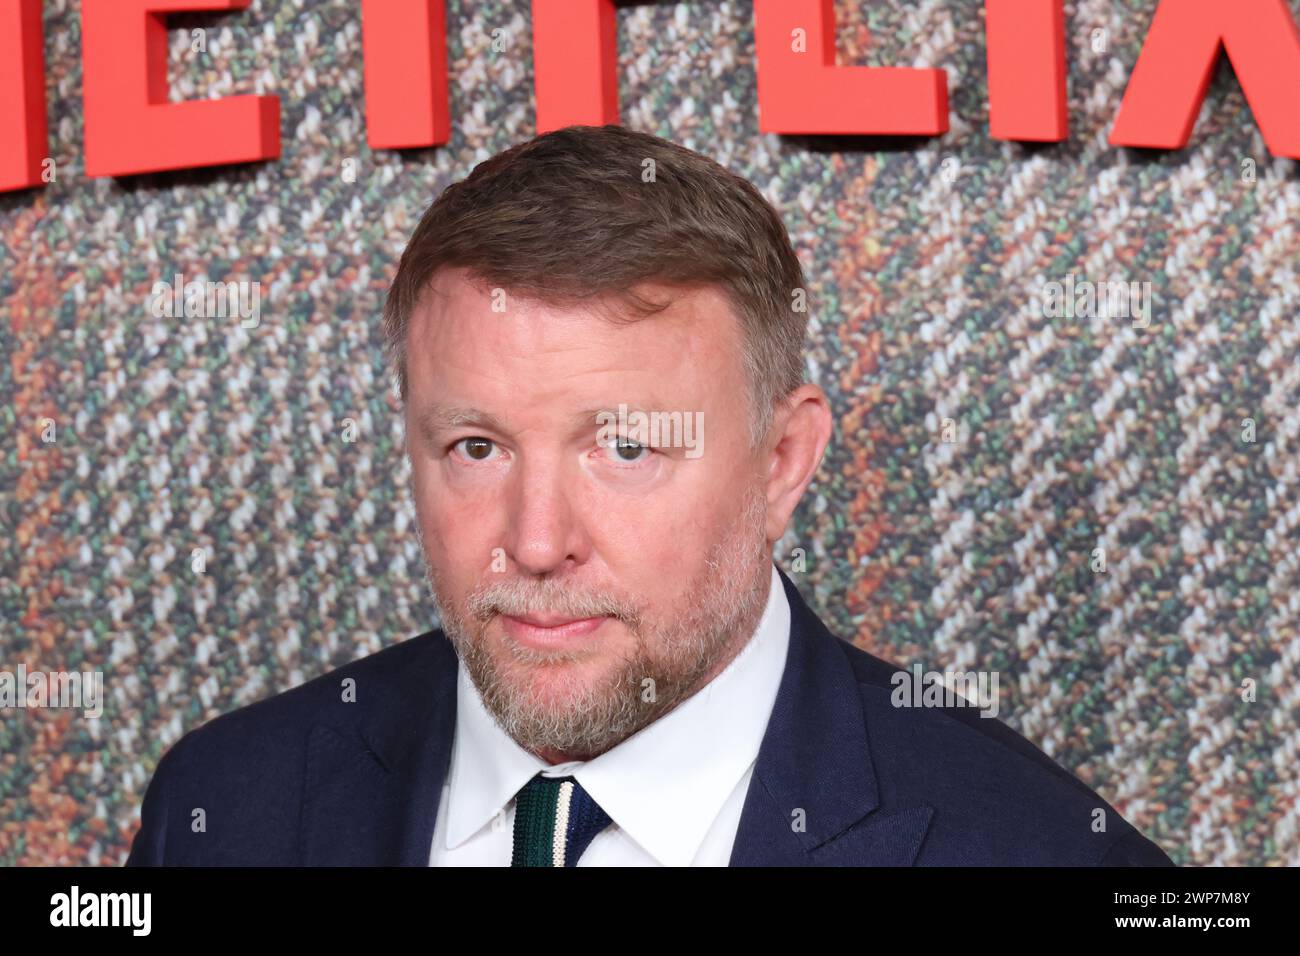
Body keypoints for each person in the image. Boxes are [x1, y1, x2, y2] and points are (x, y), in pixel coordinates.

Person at [127, 124, 1172, 866]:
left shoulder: (1034, 850)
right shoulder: (222, 806)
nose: (535, 545)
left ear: (782, 460)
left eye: (624, 447)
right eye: (478, 445)